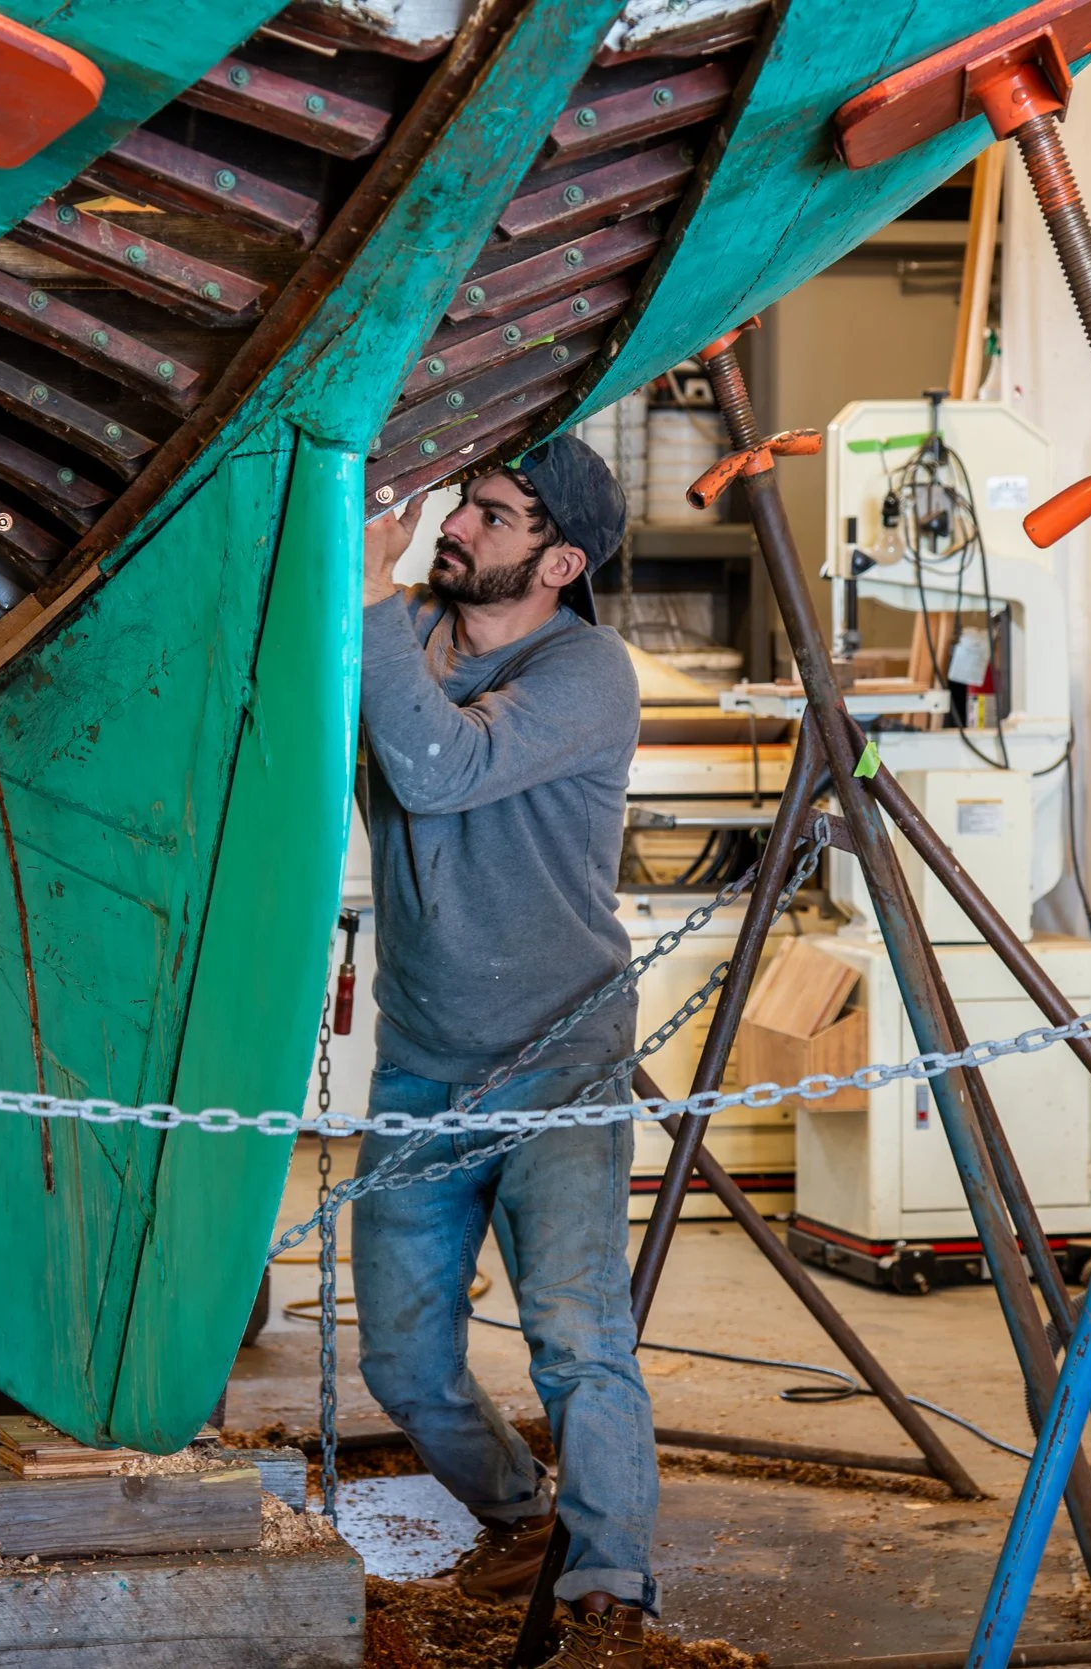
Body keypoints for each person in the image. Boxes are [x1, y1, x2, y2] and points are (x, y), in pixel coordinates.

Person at [352, 434, 655, 1668]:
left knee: (578, 1334)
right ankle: (520, 1511)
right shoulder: (412, 635)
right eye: (462, 505)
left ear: (559, 559)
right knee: (400, 1360)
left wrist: (368, 598)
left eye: (489, 514)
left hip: (558, 1055)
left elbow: (435, 769)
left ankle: (609, 1585)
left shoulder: (588, 670)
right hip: (422, 1054)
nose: (457, 525)